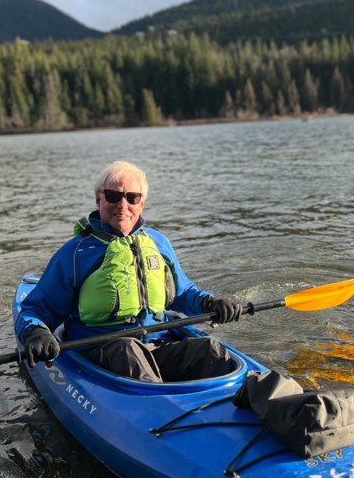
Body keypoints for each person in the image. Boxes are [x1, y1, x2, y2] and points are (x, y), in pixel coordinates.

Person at [14, 160, 242, 382]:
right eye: (113, 196)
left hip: (158, 345)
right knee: (128, 351)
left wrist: (211, 304)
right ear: (98, 198)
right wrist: (36, 333)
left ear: (141, 204)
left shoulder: (158, 243)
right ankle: (160, 411)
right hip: (103, 351)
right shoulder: (75, 253)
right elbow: (35, 309)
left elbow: (182, 294)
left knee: (209, 349)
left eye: (132, 198)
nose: (123, 206)